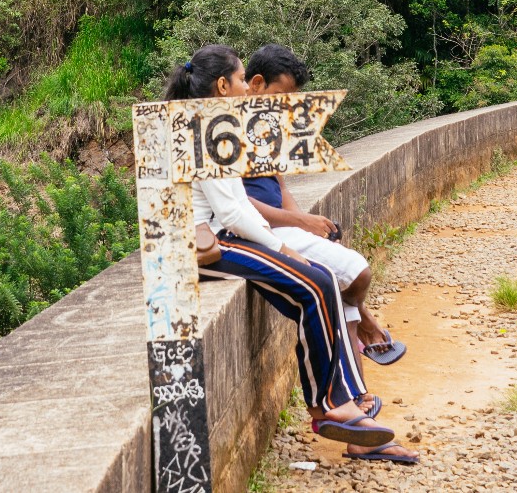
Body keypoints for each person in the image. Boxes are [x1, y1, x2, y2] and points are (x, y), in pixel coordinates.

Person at [164, 46, 417, 465]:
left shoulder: (206, 122)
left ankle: (341, 406)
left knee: (317, 283)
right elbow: (230, 211)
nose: (246, 87)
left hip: (220, 235)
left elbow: (236, 206)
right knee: (315, 283)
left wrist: (282, 239)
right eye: (242, 79)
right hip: (210, 242)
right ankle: (328, 407)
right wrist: (280, 245)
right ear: (223, 86)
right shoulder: (207, 127)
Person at [242, 44, 401, 363]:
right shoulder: (226, 131)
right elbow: (236, 203)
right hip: (260, 232)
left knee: (345, 309)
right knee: (357, 273)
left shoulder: (265, 126)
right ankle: (366, 329)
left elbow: (279, 185)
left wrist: (307, 223)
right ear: (255, 83)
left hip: (283, 226)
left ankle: (358, 397)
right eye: (279, 96)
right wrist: (302, 223)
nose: (284, 108)